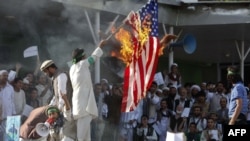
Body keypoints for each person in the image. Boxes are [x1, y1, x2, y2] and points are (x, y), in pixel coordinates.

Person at [69, 40, 106, 141]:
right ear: (82, 57)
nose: (86, 57)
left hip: (80, 104)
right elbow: (93, 58)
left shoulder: (72, 68)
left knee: (86, 137)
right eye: (84, 55)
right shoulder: (82, 65)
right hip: (84, 106)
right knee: (81, 137)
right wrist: (100, 46)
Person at [40, 59, 75, 141]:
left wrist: (57, 110)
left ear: (50, 68)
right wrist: (50, 105)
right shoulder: (55, 77)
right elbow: (56, 96)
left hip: (67, 111)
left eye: (46, 71)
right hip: (62, 112)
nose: (46, 74)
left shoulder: (61, 75)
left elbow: (62, 95)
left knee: (67, 136)